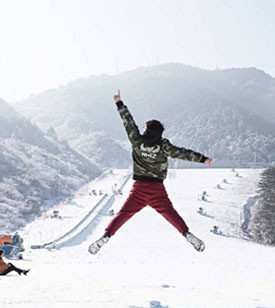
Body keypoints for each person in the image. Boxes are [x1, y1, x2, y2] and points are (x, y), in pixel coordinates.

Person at [88, 90, 213, 255]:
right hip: (157, 189)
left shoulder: (136, 141)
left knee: (123, 214)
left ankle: (106, 235)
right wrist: (203, 159)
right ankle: (186, 233)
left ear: (147, 130)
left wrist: (119, 103)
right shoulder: (164, 146)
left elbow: (128, 122)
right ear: (159, 133)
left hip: (138, 188)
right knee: (170, 213)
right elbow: (182, 153)